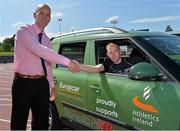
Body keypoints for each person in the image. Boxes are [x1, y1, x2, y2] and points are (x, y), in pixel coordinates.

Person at [11, 4, 79, 130]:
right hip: (22, 83)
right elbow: (39, 50)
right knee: (18, 123)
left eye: (48, 15)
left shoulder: (47, 40)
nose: (45, 17)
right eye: (41, 13)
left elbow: (47, 64)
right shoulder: (23, 31)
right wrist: (68, 62)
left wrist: (51, 85)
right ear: (34, 15)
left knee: (42, 123)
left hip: (42, 83)